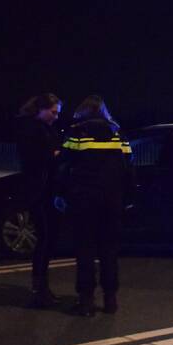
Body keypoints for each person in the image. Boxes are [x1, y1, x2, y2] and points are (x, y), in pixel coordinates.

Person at [56, 95, 133, 316]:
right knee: (109, 250)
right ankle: (110, 299)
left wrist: (61, 194)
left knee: (85, 250)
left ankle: (86, 301)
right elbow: (129, 169)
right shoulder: (118, 134)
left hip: (84, 200)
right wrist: (127, 197)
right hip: (112, 200)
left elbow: (64, 166)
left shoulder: (77, 133)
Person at [15, 93, 63, 308]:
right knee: (44, 238)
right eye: (53, 112)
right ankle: (40, 289)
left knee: (47, 238)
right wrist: (55, 155)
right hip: (38, 191)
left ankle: (42, 287)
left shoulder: (43, 128)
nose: (56, 117)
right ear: (41, 109)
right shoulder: (30, 129)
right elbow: (38, 158)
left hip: (45, 189)